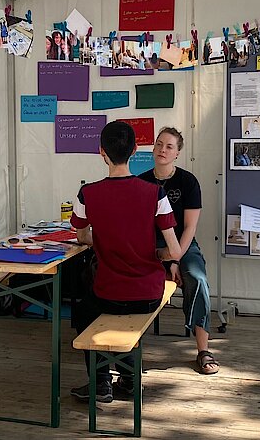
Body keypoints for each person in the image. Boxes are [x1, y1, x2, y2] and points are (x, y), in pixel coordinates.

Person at [70, 121, 183, 403]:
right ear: (135, 150)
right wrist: (155, 254)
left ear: (101, 152)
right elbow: (176, 251)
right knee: (125, 316)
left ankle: (101, 383)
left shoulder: (88, 194)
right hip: (148, 293)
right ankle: (130, 381)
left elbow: (82, 236)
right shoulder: (155, 193)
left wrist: (103, 241)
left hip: (109, 292)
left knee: (84, 311)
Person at [138, 128, 220, 375]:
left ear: (177, 153)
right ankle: (125, 348)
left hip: (184, 245)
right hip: (149, 247)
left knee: (198, 279)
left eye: (169, 146)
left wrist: (175, 258)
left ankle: (203, 349)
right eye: (159, 144)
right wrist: (160, 257)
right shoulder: (141, 181)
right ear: (153, 148)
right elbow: (139, 226)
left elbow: (191, 226)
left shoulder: (188, 181)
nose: (163, 150)